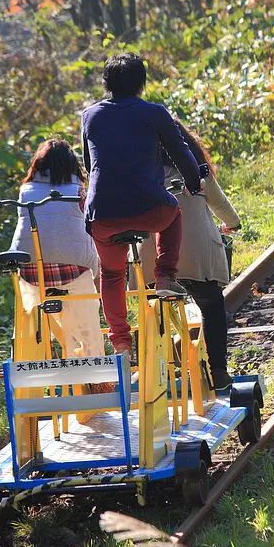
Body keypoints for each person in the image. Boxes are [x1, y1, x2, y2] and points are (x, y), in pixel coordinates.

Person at [82, 52, 202, 355]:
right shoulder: (155, 113)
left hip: (102, 215)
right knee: (173, 211)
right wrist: (193, 182)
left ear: (107, 83)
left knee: (111, 274)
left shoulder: (90, 115)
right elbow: (181, 152)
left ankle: (120, 339)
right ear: (141, 83)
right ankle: (165, 275)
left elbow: (88, 164)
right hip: (149, 209)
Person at [140, 120, 240, 393]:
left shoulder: (141, 177)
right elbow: (221, 206)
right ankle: (218, 371)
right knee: (211, 306)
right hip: (196, 261)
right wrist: (233, 224)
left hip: (153, 263)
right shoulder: (196, 173)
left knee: (154, 314)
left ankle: (159, 377)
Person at [9, 139, 105, 360]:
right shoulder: (78, 190)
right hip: (73, 269)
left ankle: (33, 356)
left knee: (31, 315)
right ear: (71, 165)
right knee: (88, 323)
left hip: (33, 271)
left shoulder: (25, 190)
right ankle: (95, 365)